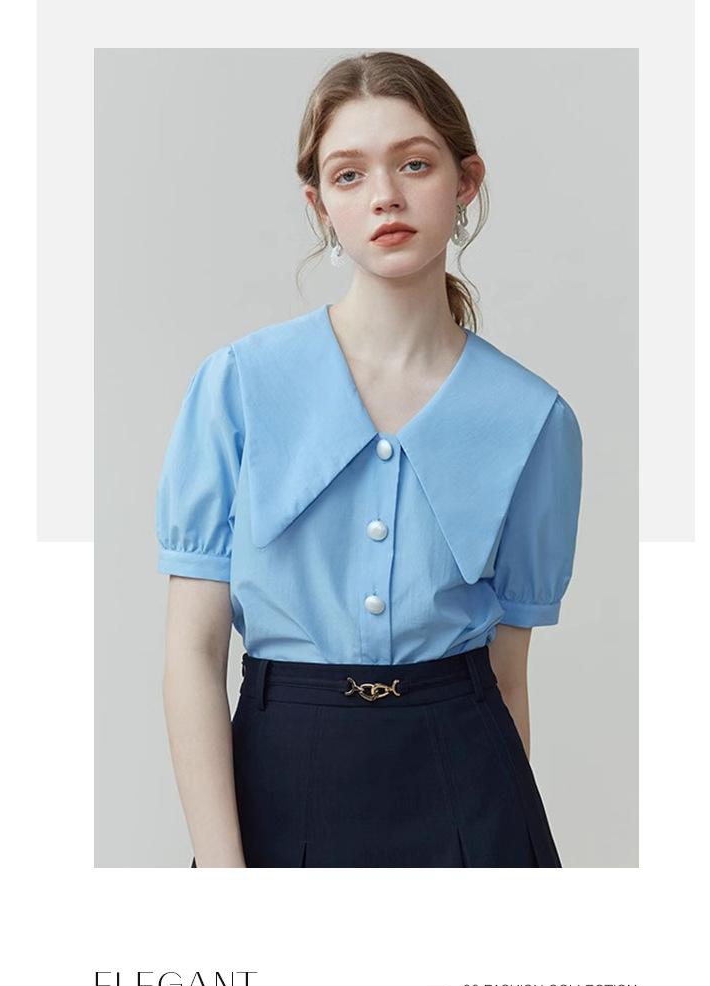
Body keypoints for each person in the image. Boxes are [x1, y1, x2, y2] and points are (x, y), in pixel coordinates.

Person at [155, 51, 583, 868]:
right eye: (349, 175)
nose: (385, 195)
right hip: (279, 775)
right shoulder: (238, 385)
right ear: (319, 206)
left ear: (465, 182)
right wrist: (221, 877)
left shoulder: (534, 420)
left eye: (414, 164)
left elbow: (508, 678)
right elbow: (192, 655)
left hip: (471, 785)